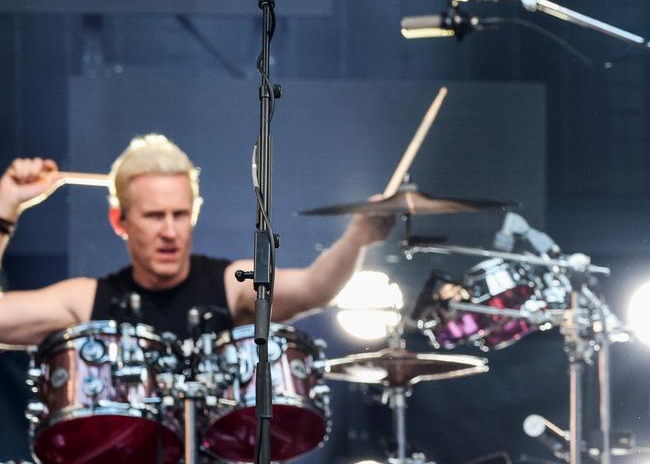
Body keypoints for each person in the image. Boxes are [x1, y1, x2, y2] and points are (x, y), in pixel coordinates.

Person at [0, 133, 391, 345]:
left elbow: (313, 288)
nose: (170, 231)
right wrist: (6, 207)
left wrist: (357, 236)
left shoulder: (230, 284)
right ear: (120, 221)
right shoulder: (87, 299)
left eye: (180, 215)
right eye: (154, 216)